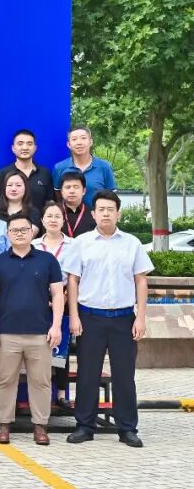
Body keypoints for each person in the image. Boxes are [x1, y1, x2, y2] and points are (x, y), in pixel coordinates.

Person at [63, 191, 153, 448]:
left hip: (123, 318)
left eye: (110, 209)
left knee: (124, 375)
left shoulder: (132, 243)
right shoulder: (81, 243)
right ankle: (84, 425)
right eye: (101, 209)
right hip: (90, 317)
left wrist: (141, 318)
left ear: (118, 214)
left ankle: (127, 428)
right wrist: (74, 316)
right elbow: (73, 281)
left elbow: (140, 280)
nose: (105, 214)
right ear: (93, 214)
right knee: (87, 374)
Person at [0, 212, 65, 446]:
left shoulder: (47, 260)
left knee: (41, 382)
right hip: (6, 332)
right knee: (4, 381)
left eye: (23, 230)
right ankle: (3, 425)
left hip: (40, 333)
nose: (19, 234)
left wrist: (56, 326)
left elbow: (57, 294)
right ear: (7, 234)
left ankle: (40, 427)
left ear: (32, 232)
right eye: (14, 230)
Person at [33, 201, 76, 407]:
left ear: (63, 220)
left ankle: (60, 393)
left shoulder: (73, 246)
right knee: (36, 348)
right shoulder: (33, 245)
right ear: (42, 220)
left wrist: (63, 295)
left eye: (57, 216)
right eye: (49, 216)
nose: (53, 220)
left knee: (60, 348)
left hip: (64, 300)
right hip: (37, 301)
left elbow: (76, 275)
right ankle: (36, 393)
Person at [52, 125, 118, 205]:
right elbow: (58, 195)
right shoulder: (60, 168)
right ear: (69, 144)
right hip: (69, 213)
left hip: (96, 213)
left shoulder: (104, 167)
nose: (79, 143)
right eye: (74, 139)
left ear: (90, 142)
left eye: (83, 138)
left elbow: (112, 197)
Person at [0, 129, 53, 211]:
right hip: (10, 218)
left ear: (35, 148)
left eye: (29, 144)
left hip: (39, 218)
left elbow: (50, 202)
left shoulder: (45, 173)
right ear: (13, 148)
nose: (25, 147)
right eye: (20, 144)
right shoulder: (4, 173)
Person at [0, 170, 42, 236]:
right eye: (10, 185)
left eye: (18, 185)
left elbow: (27, 236)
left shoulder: (33, 213)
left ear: (25, 188)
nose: (13, 189)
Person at [59, 171, 97, 237]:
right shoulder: (53, 212)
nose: (72, 191)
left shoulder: (94, 214)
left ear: (84, 191)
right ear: (61, 191)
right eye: (68, 187)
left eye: (76, 187)